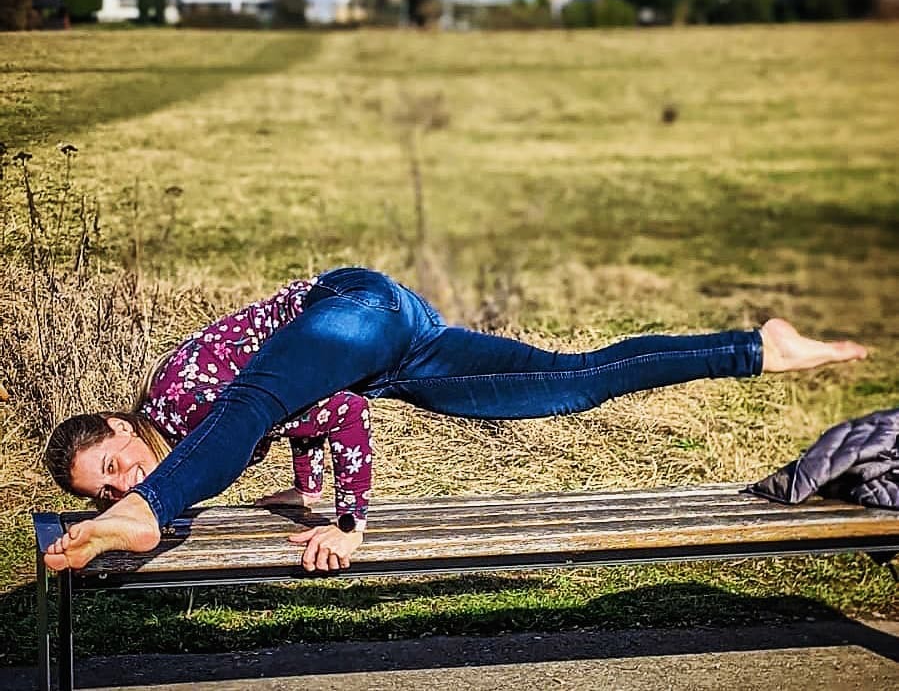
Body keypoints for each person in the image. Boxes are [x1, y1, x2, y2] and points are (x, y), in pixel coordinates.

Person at [42, 266, 867, 575]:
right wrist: (304, 487)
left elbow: (317, 407)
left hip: (354, 310)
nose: (123, 475)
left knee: (251, 404)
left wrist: (347, 525)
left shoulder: (174, 400)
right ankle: (754, 348)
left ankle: (142, 522)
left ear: (121, 424)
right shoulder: (200, 429)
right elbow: (311, 406)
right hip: (398, 341)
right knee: (570, 381)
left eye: (113, 467)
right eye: (108, 490)